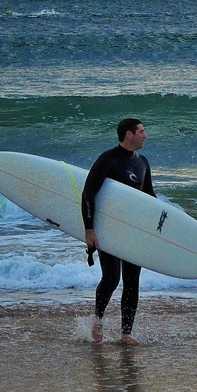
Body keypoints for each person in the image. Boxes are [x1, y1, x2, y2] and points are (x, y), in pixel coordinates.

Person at [82, 118, 156, 345]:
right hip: (109, 229)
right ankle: (98, 320)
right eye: (141, 131)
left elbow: (150, 198)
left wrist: (159, 229)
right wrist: (89, 229)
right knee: (112, 278)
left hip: (133, 231)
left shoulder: (142, 162)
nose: (145, 135)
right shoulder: (108, 159)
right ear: (129, 134)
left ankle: (126, 334)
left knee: (132, 282)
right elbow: (88, 194)